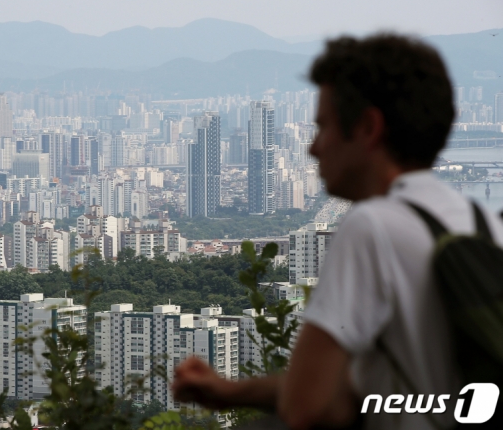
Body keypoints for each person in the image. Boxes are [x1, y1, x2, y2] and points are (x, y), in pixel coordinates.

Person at [171, 34, 503, 429]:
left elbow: (306, 407)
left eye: (323, 127)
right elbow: (358, 390)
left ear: (367, 128)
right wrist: (230, 392)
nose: (313, 147)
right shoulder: (483, 222)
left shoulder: (373, 227)